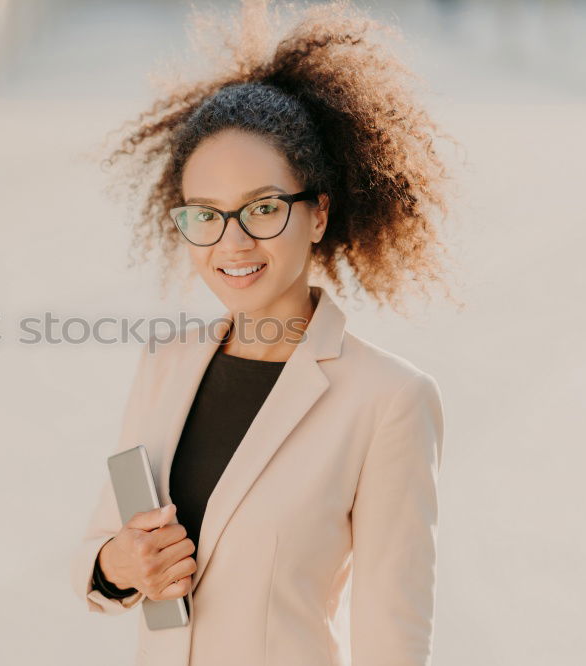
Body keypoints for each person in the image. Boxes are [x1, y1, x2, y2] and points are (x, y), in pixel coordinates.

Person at [70, 1, 461, 664]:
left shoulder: (388, 401)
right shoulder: (166, 362)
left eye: (263, 208)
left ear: (317, 214)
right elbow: (102, 554)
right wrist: (123, 564)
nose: (234, 242)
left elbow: (393, 635)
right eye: (207, 216)